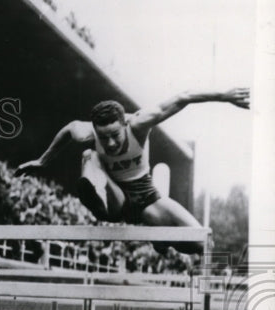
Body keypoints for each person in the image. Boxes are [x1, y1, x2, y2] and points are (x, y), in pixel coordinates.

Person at [14, 88, 251, 253]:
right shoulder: (86, 131)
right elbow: (69, 129)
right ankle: (96, 200)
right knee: (90, 155)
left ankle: (162, 240)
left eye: (115, 136)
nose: (110, 144)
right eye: (103, 137)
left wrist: (224, 95)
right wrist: (43, 161)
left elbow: (183, 97)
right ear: (95, 129)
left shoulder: (139, 124)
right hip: (115, 198)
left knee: (204, 243)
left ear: (125, 125)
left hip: (147, 197)